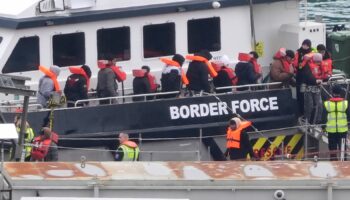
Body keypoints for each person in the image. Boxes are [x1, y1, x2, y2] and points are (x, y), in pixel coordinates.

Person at [324, 85, 348, 161]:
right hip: (343, 131)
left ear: (332, 92)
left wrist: (323, 128)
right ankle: (344, 165)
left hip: (331, 131)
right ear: (340, 93)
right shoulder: (345, 103)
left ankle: (334, 165)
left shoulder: (327, 104)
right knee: (343, 149)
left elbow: (323, 117)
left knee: (333, 151)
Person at [300, 53, 323, 124]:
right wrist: (315, 81)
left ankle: (318, 121)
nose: (319, 63)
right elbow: (307, 76)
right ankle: (307, 122)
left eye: (320, 61)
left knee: (319, 105)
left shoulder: (320, 66)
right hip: (308, 88)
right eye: (317, 61)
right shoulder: (307, 65)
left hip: (317, 87)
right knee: (309, 106)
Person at [294, 39, 314, 114]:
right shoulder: (298, 52)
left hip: (309, 77)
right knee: (300, 95)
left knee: (309, 97)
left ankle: (309, 114)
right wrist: (302, 63)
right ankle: (301, 112)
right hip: (300, 77)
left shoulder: (312, 53)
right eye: (304, 44)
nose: (305, 46)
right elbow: (296, 64)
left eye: (307, 45)